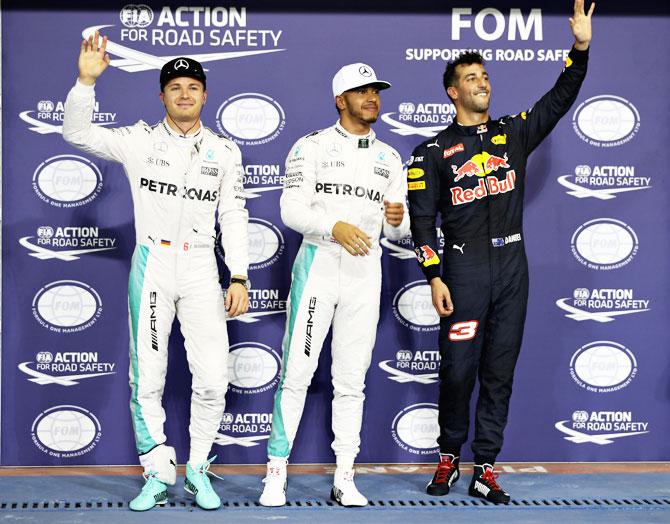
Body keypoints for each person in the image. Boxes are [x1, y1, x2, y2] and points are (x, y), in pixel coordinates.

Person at [407, 0, 595, 504]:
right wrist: (434, 276)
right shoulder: (430, 152)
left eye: (484, 75)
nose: (482, 82)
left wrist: (580, 48)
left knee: (499, 372)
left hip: (513, 266)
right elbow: (423, 222)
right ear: (453, 91)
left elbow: (560, 98)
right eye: (471, 77)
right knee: (459, 370)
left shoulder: (513, 133)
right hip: (464, 271)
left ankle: (485, 466)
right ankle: (448, 456)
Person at [63, 32, 250, 511]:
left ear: (205, 95)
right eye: (175, 87)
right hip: (154, 263)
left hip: (202, 269)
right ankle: (156, 472)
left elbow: (232, 215)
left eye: (193, 86)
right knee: (147, 376)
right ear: (161, 95)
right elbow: (77, 135)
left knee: (211, 378)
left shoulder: (225, 151)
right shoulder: (138, 141)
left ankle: (199, 470)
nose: (184, 94)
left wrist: (241, 276)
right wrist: (86, 82)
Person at [258, 63, 409, 507]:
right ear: (340, 100)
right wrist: (334, 226)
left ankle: (345, 476)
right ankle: (275, 473)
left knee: (351, 381)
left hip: (365, 274)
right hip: (319, 268)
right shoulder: (312, 147)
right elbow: (291, 210)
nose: (372, 99)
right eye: (362, 92)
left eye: (376, 92)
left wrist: (397, 223)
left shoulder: (390, 158)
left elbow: (397, 231)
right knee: (297, 375)